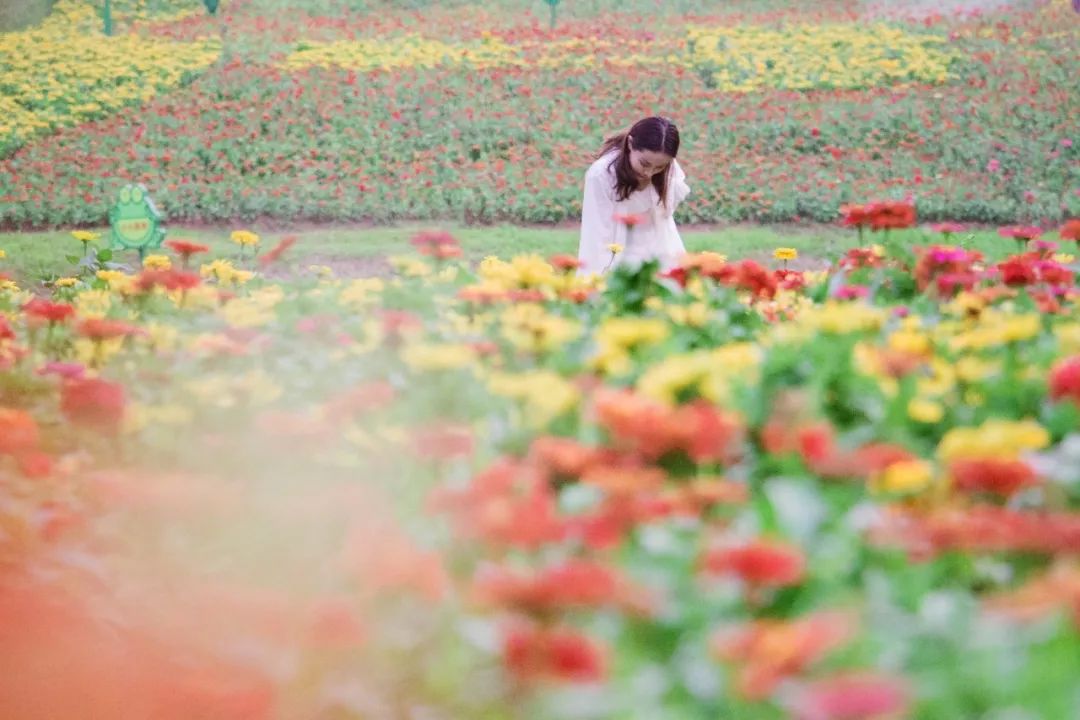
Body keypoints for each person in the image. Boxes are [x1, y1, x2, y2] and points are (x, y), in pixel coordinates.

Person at [577, 116, 690, 275]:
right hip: (619, 248)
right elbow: (597, 234)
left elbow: (665, 217)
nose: (649, 173)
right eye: (644, 164)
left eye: (659, 167)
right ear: (630, 144)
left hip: (659, 245)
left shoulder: (665, 164)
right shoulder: (601, 175)